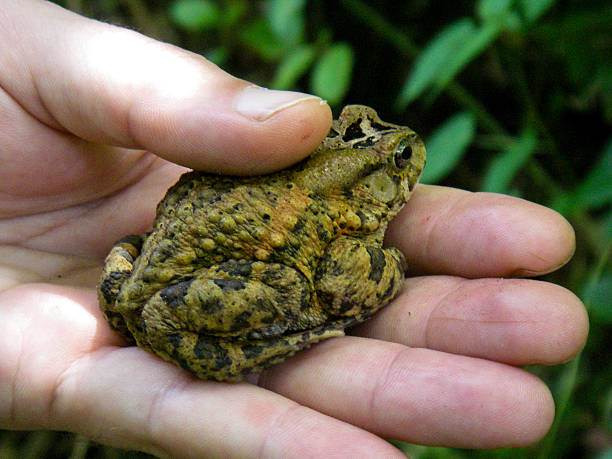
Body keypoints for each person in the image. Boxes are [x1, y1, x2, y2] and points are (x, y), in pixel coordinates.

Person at [0, 1, 588, 457]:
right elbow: (342, 287)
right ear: (366, 191)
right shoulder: (342, 224)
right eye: (391, 162)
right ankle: (218, 329)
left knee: (173, 276)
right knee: (289, 292)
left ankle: (143, 281)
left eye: (386, 146)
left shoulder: (311, 175)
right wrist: (392, 266)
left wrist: (136, 253)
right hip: (196, 280)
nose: (398, 148)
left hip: (169, 256)